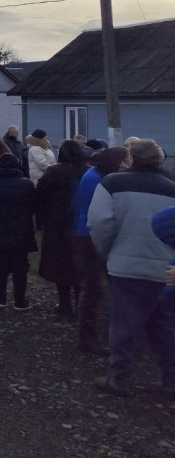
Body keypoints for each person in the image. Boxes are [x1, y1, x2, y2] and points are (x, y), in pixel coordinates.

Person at [88, 138, 175, 397]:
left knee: (124, 325)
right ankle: (171, 380)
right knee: (165, 327)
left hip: (125, 267)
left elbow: (100, 224)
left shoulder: (112, 183)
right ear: (160, 159)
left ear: (131, 157)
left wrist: (109, 253)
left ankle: (120, 378)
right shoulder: (173, 188)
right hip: (165, 271)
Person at [71, 147, 130, 355]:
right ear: (117, 161)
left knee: (97, 286)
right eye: (126, 160)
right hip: (90, 236)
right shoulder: (100, 181)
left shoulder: (94, 175)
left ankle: (97, 334)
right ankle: (87, 338)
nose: (128, 164)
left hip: (88, 234)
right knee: (93, 288)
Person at [36, 140, 89, 319]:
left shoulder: (53, 172)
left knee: (61, 266)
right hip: (83, 225)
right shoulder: (88, 172)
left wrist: (42, 218)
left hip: (57, 226)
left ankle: (65, 305)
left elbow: (40, 196)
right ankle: (81, 306)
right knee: (81, 267)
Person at [0, 153, 38, 309]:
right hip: (21, 231)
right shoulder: (26, 184)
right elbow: (34, 205)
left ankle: (0, 298)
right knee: (20, 266)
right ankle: (20, 301)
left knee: (0, 265)